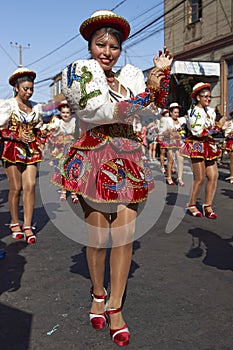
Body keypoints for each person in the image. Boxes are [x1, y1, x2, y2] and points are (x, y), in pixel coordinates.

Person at [58, 9, 172, 347]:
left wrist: (159, 80)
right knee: (98, 236)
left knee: (123, 235)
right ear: (90, 46)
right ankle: (97, 292)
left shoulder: (131, 78)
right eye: (101, 44)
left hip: (128, 159)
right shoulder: (79, 73)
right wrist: (144, 95)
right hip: (95, 157)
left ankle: (115, 306)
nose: (108, 52)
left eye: (114, 46)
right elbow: (97, 113)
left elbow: (150, 110)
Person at [0, 67, 44, 243]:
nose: (29, 92)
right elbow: (1, 129)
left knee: (31, 186)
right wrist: (16, 135)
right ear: (17, 88)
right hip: (12, 149)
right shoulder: (8, 105)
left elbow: (37, 127)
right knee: (16, 188)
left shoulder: (36, 107)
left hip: (31, 149)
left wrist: (39, 133)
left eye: (31, 89)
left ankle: (27, 225)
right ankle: (14, 221)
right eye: (26, 89)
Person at [180, 82, 220, 218]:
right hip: (197, 144)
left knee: (214, 176)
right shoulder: (193, 111)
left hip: (208, 144)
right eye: (205, 97)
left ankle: (207, 205)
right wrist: (218, 128)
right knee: (200, 177)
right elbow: (198, 132)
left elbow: (212, 130)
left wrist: (220, 128)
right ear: (198, 97)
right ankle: (191, 204)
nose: (208, 99)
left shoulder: (211, 111)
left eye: (210, 97)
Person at [46, 100, 79, 202]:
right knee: (63, 171)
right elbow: (49, 131)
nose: (65, 114)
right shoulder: (58, 122)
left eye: (67, 112)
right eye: (63, 112)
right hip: (61, 150)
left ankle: (73, 192)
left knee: (73, 171)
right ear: (60, 113)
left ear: (70, 113)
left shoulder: (74, 122)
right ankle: (64, 191)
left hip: (72, 149)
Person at [221, 109, 233, 183]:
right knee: (232, 160)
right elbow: (226, 134)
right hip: (231, 143)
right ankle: (232, 175)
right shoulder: (229, 123)